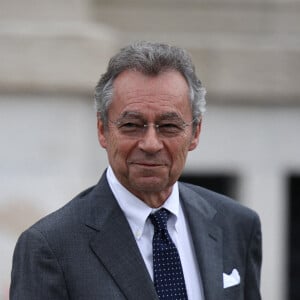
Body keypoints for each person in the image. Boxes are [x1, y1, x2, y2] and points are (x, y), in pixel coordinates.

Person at [10, 41, 262, 300]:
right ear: (102, 130)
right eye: (132, 124)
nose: (151, 144)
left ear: (195, 132)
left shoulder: (237, 225)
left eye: (168, 126)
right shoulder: (51, 247)